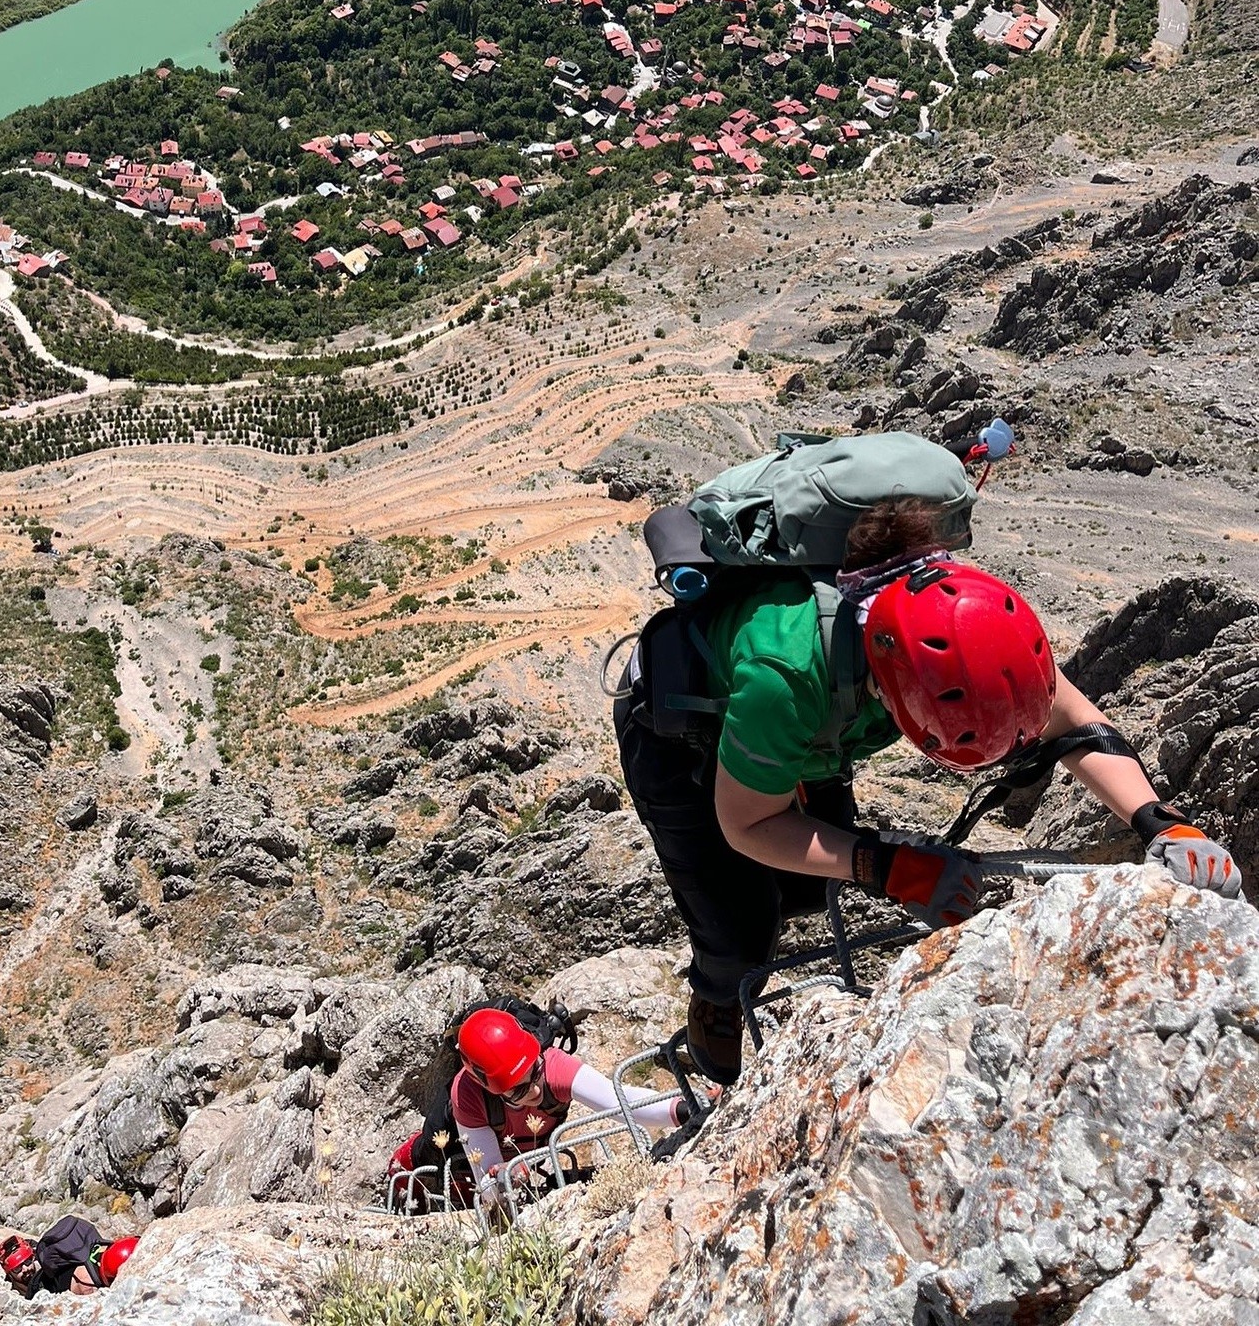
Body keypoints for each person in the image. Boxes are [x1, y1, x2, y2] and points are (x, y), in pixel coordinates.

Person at [614, 495, 1243, 1086]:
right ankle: (716, 1000)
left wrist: (1160, 821)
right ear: (889, 692)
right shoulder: (789, 675)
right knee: (742, 925)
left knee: (808, 886)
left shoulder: (973, 627)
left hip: (807, 733)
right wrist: (887, 866)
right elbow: (747, 823)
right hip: (678, 740)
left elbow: (1078, 726)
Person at [446, 1008, 703, 1209]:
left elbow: (621, 1102)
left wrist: (688, 1109)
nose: (535, 1091)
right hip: (458, 1161)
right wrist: (505, 1177)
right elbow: (487, 1181)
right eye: (518, 1090)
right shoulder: (468, 1096)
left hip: (529, 1155)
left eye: (534, 1072)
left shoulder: (553, 1065)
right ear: (489, 1087)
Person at [0, 1217, 139, 1298]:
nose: (25, 1269)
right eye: (17, 1269)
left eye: (28, 1261)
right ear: (9, 1273)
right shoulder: (88, 1285)